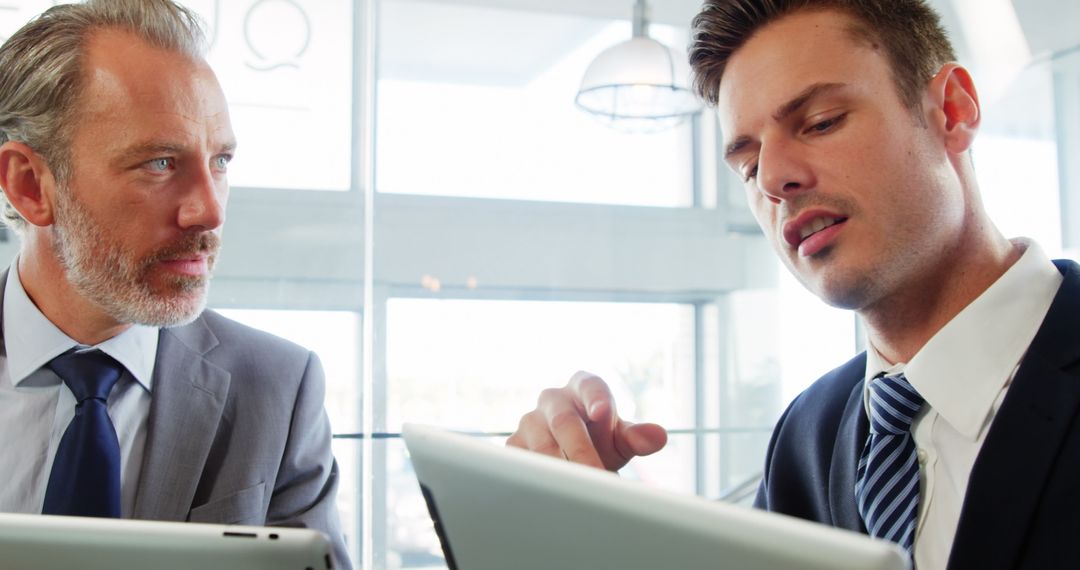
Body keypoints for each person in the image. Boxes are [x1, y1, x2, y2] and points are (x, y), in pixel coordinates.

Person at [508, 1, 1080, 568]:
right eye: (750, 167)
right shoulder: (810, 431)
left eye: (821, 123)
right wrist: (580, 534)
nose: (776, 180)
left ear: (951, 112)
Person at [0, 1, 350, 567]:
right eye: (160, 163)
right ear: (30, 186)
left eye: (221, 161)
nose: (209, 212)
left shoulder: (277, 391)